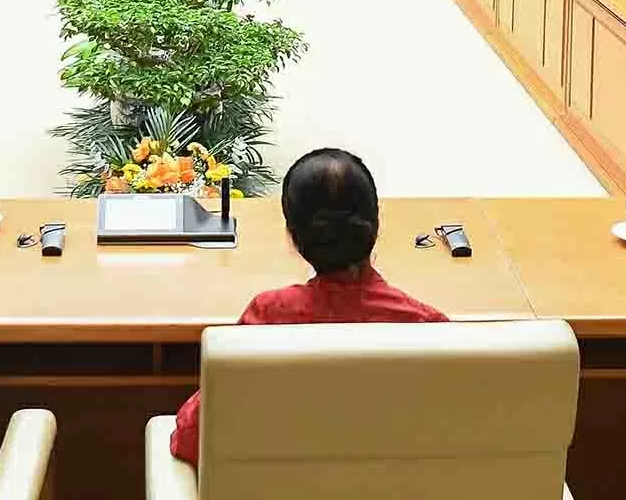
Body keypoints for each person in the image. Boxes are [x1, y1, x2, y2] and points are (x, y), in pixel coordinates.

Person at [168, 147, 444, 466]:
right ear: (375, 225)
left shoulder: (269, 319)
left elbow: (189, 440)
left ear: (292, 234)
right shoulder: (429, 328)